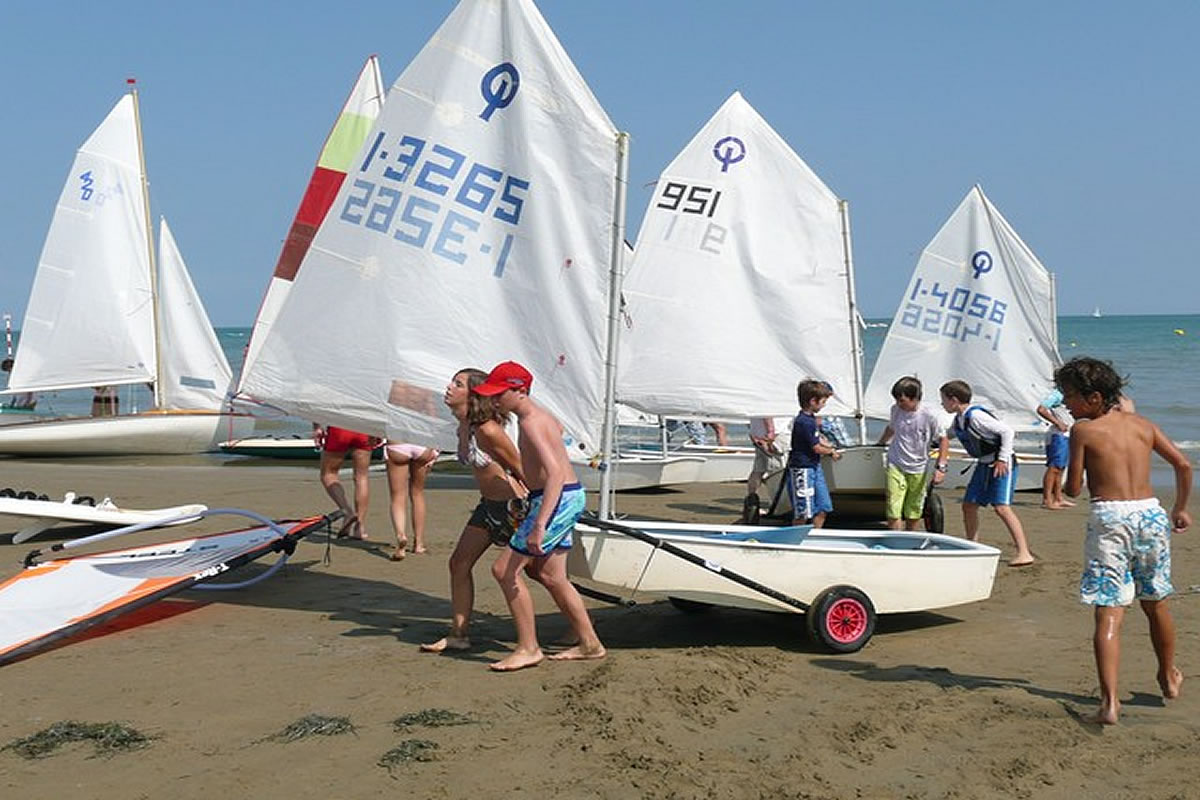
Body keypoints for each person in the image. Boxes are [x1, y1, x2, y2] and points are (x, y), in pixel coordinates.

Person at [1056, 357, 1191, 725]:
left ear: (1094, 397)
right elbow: (1183, 465)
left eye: (1069, 396)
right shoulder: (1142, 425)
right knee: (1156, 600)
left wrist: (1070, 465)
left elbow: (1072, 487)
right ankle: (1167, 674)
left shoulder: (1083, 430)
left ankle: (1110, 703)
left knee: (1109, 609)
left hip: (1110, 516)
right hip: (1149, 514)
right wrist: (1180, 508)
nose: (1065, 404)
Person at [475, 361, 605, 672]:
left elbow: (557, 474)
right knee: (551, 575)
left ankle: (529, 648)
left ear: (520, 391)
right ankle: (589, 643)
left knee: (504, 570)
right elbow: (556, 441)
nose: (493, 400)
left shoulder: (532, 422)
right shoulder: (537, 417)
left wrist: (540, 524)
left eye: (499, 394)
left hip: (556, 499)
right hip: (561, 497)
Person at [421, 367, 528, 653]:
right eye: (451, 381)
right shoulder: (464, 425)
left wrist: (539, 511)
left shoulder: (490, 429)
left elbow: (519, 467)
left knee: (543, 574)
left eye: (457, 384)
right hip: (487, 507)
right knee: (459, 563)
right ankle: (458, 634)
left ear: (474, 393)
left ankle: (575, 631)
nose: (448, 387)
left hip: (513, 507)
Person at [940, 380, 1035, 566]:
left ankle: (1024, 552)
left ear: (954, 400)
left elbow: (1007, 432)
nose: (942, 404)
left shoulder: (975, 416)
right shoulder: (960, 419)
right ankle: (973, 546)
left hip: (1002, 463)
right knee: (969, 505)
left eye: (943, 400)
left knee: (1001, 508)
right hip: (984, 464)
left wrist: (1001, 459)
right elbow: (947, 435)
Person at [876, 376, 949, 531]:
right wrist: (880, 443)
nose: (899, 404)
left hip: (918, 467)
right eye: (896, 400)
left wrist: (941, 467)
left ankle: (909, 537)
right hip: (896, 462)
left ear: (915, 398)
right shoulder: (895, 410)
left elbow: (943, 440)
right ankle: (896, 540)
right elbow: (891, 428)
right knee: (893, 506)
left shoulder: (930, 415)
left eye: (902, 401)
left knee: (914, 508)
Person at [786, 379, 842, 527]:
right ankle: (797, 541)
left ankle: (815, 535)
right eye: (823, 401)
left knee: (823, 507)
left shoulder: (811, 420)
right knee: (803, 512)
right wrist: (831, 452)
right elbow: (816, 447)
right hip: (802, 469)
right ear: (813, 401)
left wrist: (831, 445)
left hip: (814, 466)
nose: (824, 405)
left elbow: (817, 439)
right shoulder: (803, 421)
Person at [314, 423, 378, 540]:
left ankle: (347, 511)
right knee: (361, 477)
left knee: (328, 474)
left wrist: (317, 427)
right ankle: (360, 527)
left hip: (339, 426)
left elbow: (317, 405)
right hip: (364, 427)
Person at [383, 441, 439, 560]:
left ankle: (401, 535)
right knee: (417, 493)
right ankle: (418, 543)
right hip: (422, 444)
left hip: (397, 444)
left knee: (397, 496)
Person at [1035, 389, 1075, 510]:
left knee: (1061, 467)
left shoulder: (1069, 394)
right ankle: (1047, 500)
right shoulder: (1056, 395)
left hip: (1066, 435)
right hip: (1057, 435)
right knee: (1054, 467)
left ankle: (1058, 498)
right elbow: (1041, 409)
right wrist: (1057, 422)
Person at [742, 416, 784, 523]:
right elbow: (768, 412)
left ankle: (751, 502)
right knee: (777, 471)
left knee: (758, 470)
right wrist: (771, 431)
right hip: (773, 434)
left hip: (759, 433)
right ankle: (777, 504)